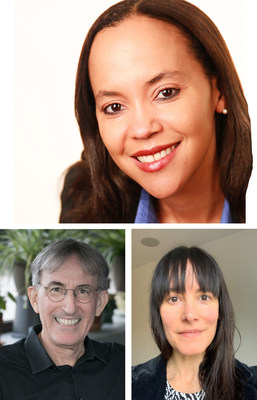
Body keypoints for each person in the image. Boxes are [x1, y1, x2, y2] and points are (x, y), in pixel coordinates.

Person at [59, 0, 252, 224]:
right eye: (114, 107)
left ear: (219, 91)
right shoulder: (83, 195)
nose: (142, 129)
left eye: (166, 92)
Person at [0, 239, 125, 400]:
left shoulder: (122, 363)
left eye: (83, 291)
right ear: (35, 299)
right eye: (56, 289)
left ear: (100, 303)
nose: (70, 307)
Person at [132, 246, 257, 399]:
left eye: (204, 297)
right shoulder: (129, 383)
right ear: (158, 311)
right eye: (174, 299)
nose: (189, 315)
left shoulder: (252, 383)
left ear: (220, 309)